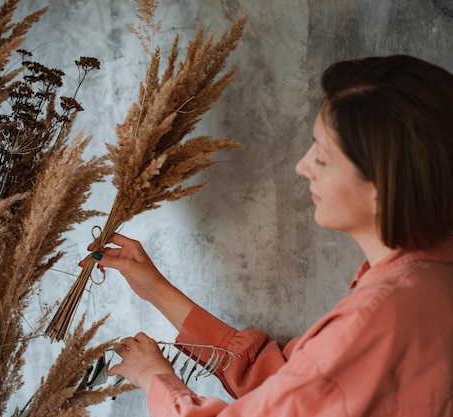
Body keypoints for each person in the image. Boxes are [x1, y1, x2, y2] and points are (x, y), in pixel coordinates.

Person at [83, 55, 453, 416]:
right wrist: (155, 289)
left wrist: (157, 381)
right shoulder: (428, 284)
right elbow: (287, 382)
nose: (302, 166)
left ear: (383, 184)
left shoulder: (374, 321)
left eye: (321, 157)